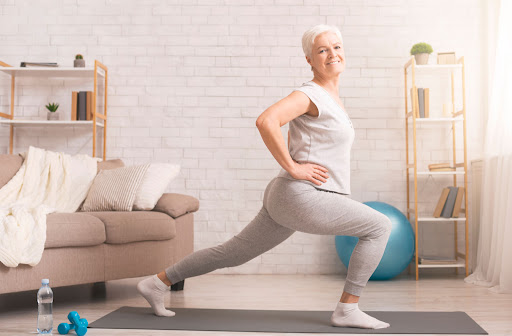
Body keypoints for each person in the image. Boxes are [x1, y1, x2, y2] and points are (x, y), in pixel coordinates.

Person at [137, 24, 392, 329]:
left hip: (288, 195)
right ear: (310, 60)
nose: (332, 54)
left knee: (234, 252)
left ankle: (157, 282)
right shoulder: (310, 94)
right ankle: (348, 309)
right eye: (322, 50)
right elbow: (266, 121)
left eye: (336, 47)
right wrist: (295, 168)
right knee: (379, 226)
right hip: (301, 195)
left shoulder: (331, 99)